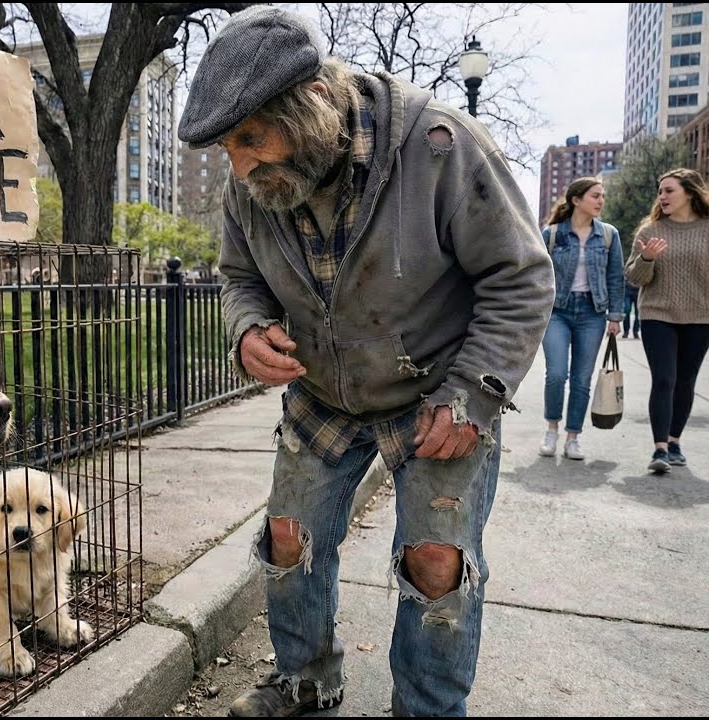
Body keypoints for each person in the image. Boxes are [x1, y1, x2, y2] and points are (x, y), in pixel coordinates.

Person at [177, 6, 554, 717]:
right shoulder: (252, 183)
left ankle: (428, 707)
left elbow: (521, 276)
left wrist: (475, 393)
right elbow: (238, 276)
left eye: (250, 138)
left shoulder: (441, 146)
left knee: (436, 561)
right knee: (289, 540)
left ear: (314, 103)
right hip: (323, 395)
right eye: (227, 147)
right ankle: (305, 681)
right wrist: (248, 327)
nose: (239, 164)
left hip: (440, 393)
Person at [624, 168, 709, 474]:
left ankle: (674, 442)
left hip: (700, 317)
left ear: (689, 192)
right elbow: (633, 277)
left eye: (669, 190)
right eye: (660, 191)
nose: (662, 196)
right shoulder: (650, 231)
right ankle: (660, 448)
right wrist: (646, 258)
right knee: (664, 379)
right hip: (658, 315)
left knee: (686, 382)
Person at [536, 177, 625, 461]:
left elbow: (615, 278)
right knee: (557, 374)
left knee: (582, 379)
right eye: (595, 195)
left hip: (592, 313)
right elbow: (535, 273)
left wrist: (615, 316)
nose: (601, 201)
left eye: (602, 196)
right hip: (557, 312)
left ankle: (573, 436)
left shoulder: (608, 235)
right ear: (576, 200)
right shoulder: (551, 234)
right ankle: (552, 428)